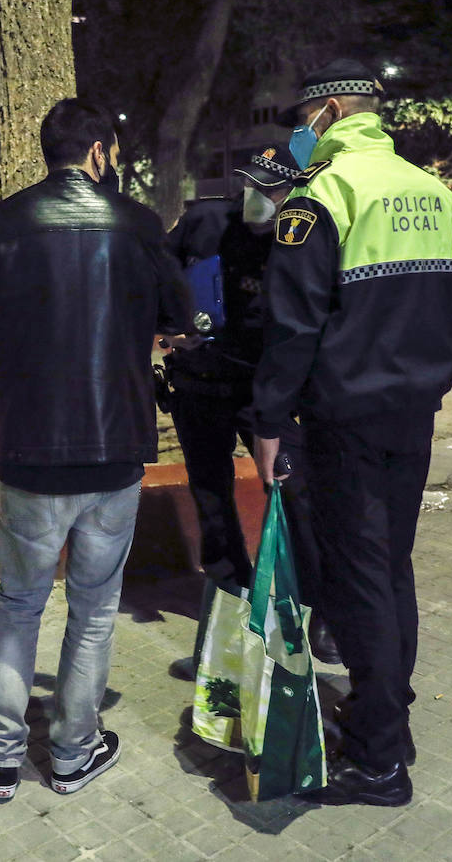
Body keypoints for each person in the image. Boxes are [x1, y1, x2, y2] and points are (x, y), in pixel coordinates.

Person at [0, 98, 192, 800]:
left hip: (30, 449)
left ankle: (0, 760)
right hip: (115, 447)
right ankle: (71, 752)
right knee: (92, 611)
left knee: (19, 604)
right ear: (98, 151)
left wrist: (15, 380)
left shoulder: (3, 222)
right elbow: (179, 317)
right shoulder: (138, 224)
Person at [252, 60, 452, 807]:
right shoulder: (430, 190)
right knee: (394, 569)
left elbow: (291, 326)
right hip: (410, 416)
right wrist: (426, 385)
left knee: (357, 581)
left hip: (344, 418)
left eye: (301, 119)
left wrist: (270, 420)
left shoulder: (322, 196)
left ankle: (378, 763)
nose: (296, 133)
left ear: (327, 114)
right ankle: (392, 718)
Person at [160, 143, 339, 676]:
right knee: (212, 503)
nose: (257, 198)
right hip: (198, 385)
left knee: (295, 496)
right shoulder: (205, 219)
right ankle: (228, 620)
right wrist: (168, 325)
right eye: (251, 185)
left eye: (271, 189)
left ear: (294, 193)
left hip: (266, 394)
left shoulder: (302, 238)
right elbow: (158, 271)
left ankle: (319, 613)